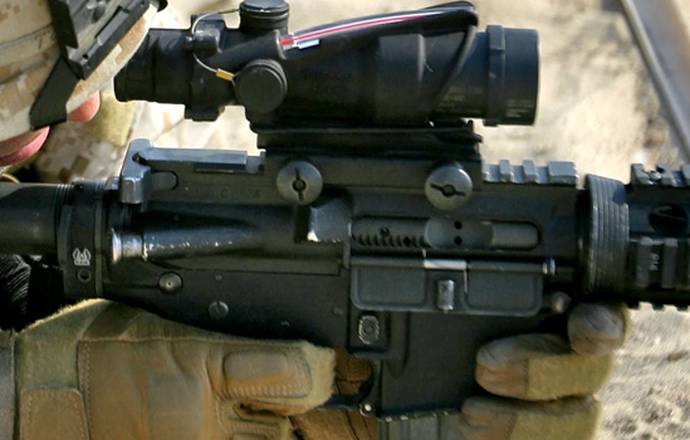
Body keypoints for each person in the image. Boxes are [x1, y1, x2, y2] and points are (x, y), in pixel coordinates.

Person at [0, 1, 629, 439]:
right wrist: (44, 408)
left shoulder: (80, 122)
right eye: (16, 78)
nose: (73, 110)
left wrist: (333, 402)